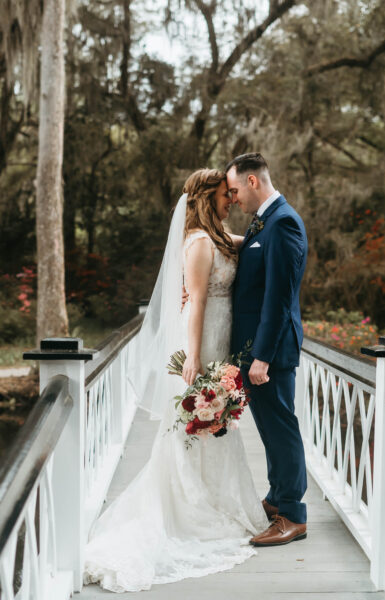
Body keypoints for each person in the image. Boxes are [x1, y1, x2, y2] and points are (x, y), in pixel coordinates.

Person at [83, 168, 268, 593]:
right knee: (193, 426)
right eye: (225, 195)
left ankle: (217, 496)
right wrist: (195, 358)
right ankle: (192, 507)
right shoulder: (200, 243)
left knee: (217, 424)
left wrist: (271, 228)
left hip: (222, 337)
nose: (230, 201)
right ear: (206, 198)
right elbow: (198, 300)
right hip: (202, 338)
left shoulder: (219, 237)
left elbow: (252, 243)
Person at [226, 152, 308, 546]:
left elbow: (278, 298)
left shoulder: (285, 224)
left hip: (270, 354)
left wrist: (262, 356)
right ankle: (277, 499)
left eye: (236, 189)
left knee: (281, 429)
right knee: (270, 432)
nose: (235, 197)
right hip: (256, 351)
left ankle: (293, 514)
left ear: (253, 182)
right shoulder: (264, 223)